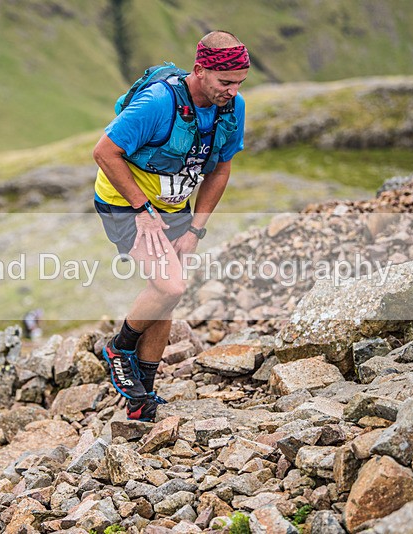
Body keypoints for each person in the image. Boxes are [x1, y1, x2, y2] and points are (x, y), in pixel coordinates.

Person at [92, 31, 249, 422]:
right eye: (225, 82)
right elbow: (104, 151)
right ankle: (118, 348)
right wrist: (142, 208)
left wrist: (195, 229)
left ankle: (141, 399)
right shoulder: (159, 102)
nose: (232, 91)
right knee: (171, 284)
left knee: (166, 296)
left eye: (239, 83)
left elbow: (222, 167)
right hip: (126, 203)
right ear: (200, 70)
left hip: (173, 207)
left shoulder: (232, 108)